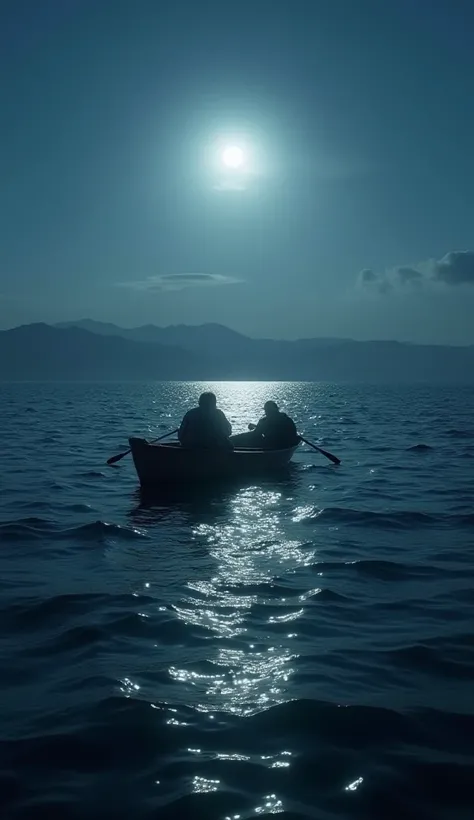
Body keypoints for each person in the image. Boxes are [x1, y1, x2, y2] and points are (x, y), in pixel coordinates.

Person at [232, 401, 299, 449]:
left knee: (254, 438)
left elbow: (255, 434)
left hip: (272, 446)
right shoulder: (288, 420)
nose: (267, 412)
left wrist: (233, 439)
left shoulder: (264, 421)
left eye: (268, 410)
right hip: (281, 446)